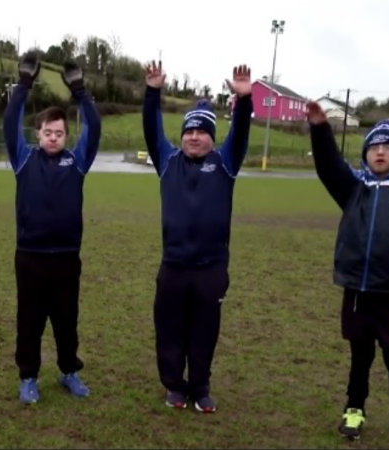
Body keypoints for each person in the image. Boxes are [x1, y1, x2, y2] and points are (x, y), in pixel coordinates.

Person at [306, 101, 389, 441]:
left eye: (387, 147)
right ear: (366, 154)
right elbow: (328, 166)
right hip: (358, 290)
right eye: (374, 147)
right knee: (360, 354)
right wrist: (320, 128)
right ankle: (354, 408)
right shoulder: (354, 189)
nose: (380, 152)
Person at [142, 60, 253, 413]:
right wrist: (152, 92)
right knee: (170, 330)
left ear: (211, 137)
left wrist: (245, 99)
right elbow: (150, 128)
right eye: (189, 131)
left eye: (201, 132)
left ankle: (200, 387)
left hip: (211, 269)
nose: (194, 136)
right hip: (173, 266)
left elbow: (241, 134)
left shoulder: (225, 163)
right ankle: (174, 386)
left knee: (204, 333)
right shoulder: (167, 161)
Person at [3, 52, 101, 404]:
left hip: (65, 258)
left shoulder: (76, 162)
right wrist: (24, 83)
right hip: (29, 257)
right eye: (48, 132)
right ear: (38, 134)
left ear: (66, 135)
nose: (54, 137)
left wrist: (79, 91)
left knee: (66, 319)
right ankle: (28, 377)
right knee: (29, 321)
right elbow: (9, 120)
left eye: (60, 133)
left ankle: (68, 371)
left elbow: (95, 127)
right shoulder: (23, 157)